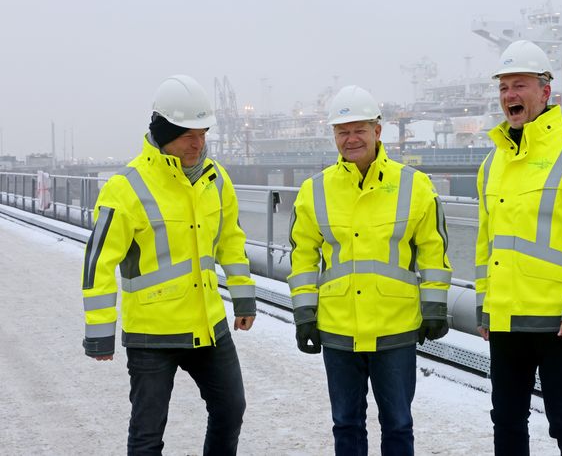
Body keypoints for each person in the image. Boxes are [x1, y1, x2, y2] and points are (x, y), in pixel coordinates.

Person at [81, 75, 256, 455]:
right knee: (147, 432)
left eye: (203, 133)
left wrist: (244, 299)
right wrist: (99, 331)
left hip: (208, 327)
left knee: (231, 409)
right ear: (162, 132)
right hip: (152, 335)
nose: (199, 144)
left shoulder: (216, 179)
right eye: (188, 135)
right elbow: (98, 262)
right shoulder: (126, 187)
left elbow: (231, 242)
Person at [287, 85, 451, 456]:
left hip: (395, 327)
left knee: (398, 424)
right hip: (338, 327)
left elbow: (433, 250)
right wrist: (304, 313)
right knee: (346, 423)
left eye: (359, 129)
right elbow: (303, 258)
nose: (351, 139)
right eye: (342, 131)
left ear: (378, 131)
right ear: (333, 136)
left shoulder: (415, 186)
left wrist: (435, 306)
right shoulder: (314, 191)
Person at [475, 41, 562, 455]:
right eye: (503, 88)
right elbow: (487, 243)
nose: (510, 96)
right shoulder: (492, 162)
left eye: (519, 85)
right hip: (506, 318)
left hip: (558, 320)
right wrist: (485, 304)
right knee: (506, 420)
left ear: (545, 91)